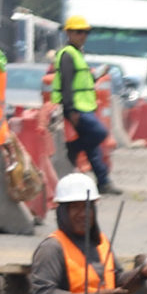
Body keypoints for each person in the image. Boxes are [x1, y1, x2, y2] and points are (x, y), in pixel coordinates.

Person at [47, 15, 117, 194]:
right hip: (76, 108)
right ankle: (74, 149)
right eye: (78, 32)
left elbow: (83, 80)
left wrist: (98, 74)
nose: (83, 36)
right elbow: (67, 84)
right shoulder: (67, 55)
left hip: (85, 106)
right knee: (99, 133)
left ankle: (103, 182)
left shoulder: (78, 54)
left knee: (93, 148)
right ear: (68, 33)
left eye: (85, 32)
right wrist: (70, 110)